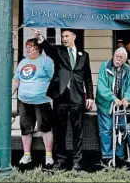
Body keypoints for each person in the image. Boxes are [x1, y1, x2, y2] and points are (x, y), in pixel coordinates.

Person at [34, 28, 94, 170]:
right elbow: (48, 49)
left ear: (74, 37)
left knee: (77, 132)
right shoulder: (59, 51)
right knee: (60, 130)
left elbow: (88, 78)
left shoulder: (84, 55)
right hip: (60, 97)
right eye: (62, 36)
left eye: (67, 36)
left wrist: (90, 97)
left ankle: (76, 161)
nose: (64, 39)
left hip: (77, 97)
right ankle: (60, 160)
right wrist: (40, 38)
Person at [12, 38, 55, 167]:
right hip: (24, 101)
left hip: (42, 101)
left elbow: (53, 79)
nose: (28, 49)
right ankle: (27, 155)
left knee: (45, 128)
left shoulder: (47, 61)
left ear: (38, 48)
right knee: (25, 129)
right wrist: (9, 95)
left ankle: (48, 156)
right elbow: (16, 81)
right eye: (27, 47)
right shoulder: (23, 62)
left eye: (31, 46)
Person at [96, 47, 130, 166]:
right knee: (107, 130)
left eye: (121, 57)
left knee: (121, 129)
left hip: (120, 106)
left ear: (125, 59)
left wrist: (126, 97)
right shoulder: (105, 66)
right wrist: (114, 98)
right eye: (116, 56)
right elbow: (101, 87)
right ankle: (107, 156)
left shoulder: (127, 69)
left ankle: (119, 155)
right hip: (106, 104)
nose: (117, 59)